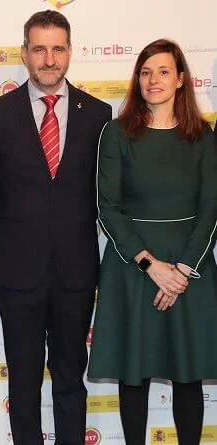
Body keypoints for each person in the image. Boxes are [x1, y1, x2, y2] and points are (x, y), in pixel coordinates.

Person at [0, 10, 112, 445]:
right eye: (39, 49)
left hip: (75, 272)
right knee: (23, 385)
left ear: (70, 52)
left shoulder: (98, 114)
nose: (49, 59)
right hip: (18, 272)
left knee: (71, 380)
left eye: (57, 48)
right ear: (25, 53)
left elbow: (101, 194)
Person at [88, 39, 217, 445]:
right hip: (132, 267)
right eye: (145, 72)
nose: (153, 80)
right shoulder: (116, 133)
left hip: (188, 268)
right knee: (134, 372)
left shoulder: (203, 136)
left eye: (163, 71)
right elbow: (107, 207)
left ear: (181, 80)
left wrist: (181, 270)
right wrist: (151, 265)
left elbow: (211, 208)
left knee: (187, 372)